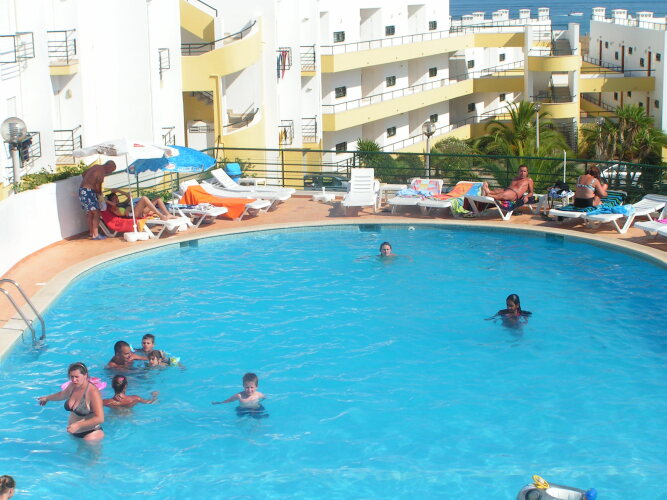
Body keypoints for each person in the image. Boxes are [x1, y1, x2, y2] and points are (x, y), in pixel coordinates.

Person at [37, 362, 105, 441]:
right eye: (71, 377)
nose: (74, 380)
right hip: (74, 432)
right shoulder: (73, 386)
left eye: (76, 377)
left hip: (91, 434)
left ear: (85, 375)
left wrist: (78, 425)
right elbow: (61, 395)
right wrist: (47, 398)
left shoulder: (92, 392)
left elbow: (100, 418)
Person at [79, 160, 117, 240]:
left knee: (90, 213)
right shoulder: (101, 171)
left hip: (82, 190)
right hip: (89, 192)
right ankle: (95, 235)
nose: (110, 173)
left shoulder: (96, 166)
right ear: (108, 166)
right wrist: (100, 196)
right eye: (111, 170)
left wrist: (88, 182)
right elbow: (98, 186)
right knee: (96, 213)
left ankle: (91, 233)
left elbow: (83, 174)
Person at [105, 189, 177, 221]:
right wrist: (105, 200)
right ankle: (160, 215)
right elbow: (113, 204)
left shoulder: (122, 203)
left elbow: (130, 197)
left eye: (116, 197)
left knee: (157, 199)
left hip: (138, 211)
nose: (116, 199)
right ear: (110, 201)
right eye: (114, 198)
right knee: (144, 198)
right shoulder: (114, 208)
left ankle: (167, 214)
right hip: (132, 215)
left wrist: (118, 191)